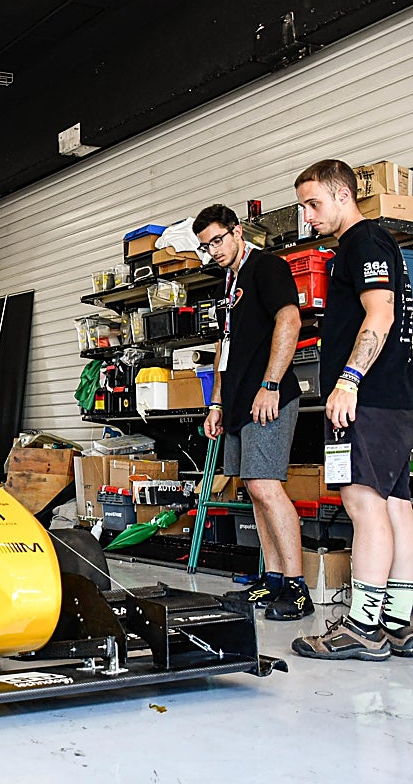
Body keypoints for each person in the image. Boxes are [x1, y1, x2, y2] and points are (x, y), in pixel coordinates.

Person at [291, 159, 413, 661]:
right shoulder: (372, 246)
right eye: (303, 206)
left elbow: (380, 313)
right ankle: (400, 623)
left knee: (363, 505)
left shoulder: (364, 242)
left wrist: (348, 380)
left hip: (369, 398)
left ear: (344, 196)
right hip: (394, 400)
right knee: (396, 507)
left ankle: (363, 626)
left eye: (313, 203)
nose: (307, 216)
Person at [194, 204, 309, 620]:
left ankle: (297, 588)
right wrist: (218, 402)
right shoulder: (229, 282)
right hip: (239, 401)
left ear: (237, 231)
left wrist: (270, 385)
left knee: (266, 485)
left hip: (269, 396)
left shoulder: (267, 267)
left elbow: (290, 322)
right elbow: (225, 348)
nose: (213, 250)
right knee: (253, 490)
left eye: (218, 240)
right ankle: (274, 580)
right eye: (206, 246)